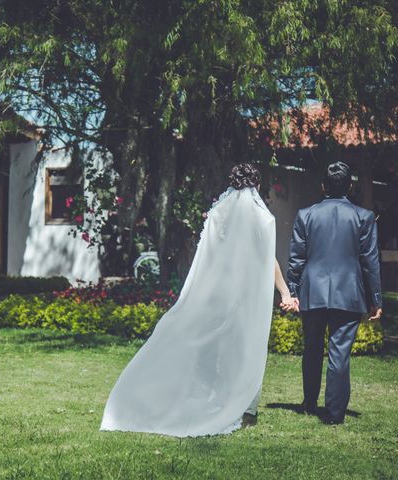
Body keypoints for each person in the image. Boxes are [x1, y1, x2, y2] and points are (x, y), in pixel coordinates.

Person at [100, 163, 295, 437]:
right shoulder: (262, 218)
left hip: (217, 291)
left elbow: (208, 254)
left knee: (213, 348)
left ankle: (212, 400)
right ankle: (240, 406)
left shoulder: (218, 212)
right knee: (243, 347)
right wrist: (284, 292)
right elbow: (268, 258)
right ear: (256, 185)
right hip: (245, 294)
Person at [287, 161, 382, 425]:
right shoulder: (364, 217)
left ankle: (308, 403)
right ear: (350, 187)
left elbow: (296, 258)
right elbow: (370, 261)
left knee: (312, 349)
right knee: (339, 353)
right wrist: (375, 300)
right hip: (348, 293)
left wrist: (292, 290)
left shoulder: (305, 214)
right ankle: (335, 413)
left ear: (323, 186)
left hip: (312, 291)